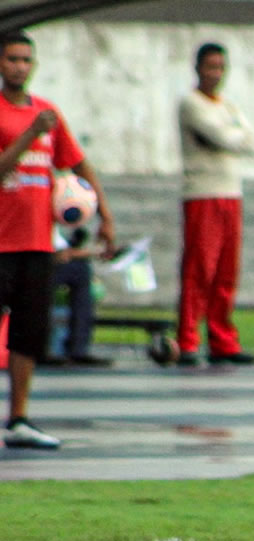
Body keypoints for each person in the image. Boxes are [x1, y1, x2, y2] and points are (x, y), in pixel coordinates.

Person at [0, 30, 116, 449]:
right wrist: (30, 134)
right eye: (13, 59)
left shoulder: (48, 112)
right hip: (1, 243)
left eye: (26, 60)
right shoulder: (24, 120)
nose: (20, 67)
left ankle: (19, 419)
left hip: (36, 244)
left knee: (29, 335)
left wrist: (105, 214)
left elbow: (80, 166)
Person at [176, 42, 254, 367]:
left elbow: (250, 139)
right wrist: (232, 135)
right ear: (197, 68)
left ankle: (223, 340)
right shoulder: (190, 103)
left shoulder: (227, 105)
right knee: (199, 270)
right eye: (210, 67)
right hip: (202, 193)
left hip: (230, 193)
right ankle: (188, 340)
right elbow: (225, 138)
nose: (215, 74)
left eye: (221, 68)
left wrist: (233, 134)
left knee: (225, 271)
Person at [41, 225, 112, 367]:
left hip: (59, 253)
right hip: (35, 255)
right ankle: (40, 348)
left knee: (80, 270)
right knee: (43, 289)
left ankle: (78, 348)